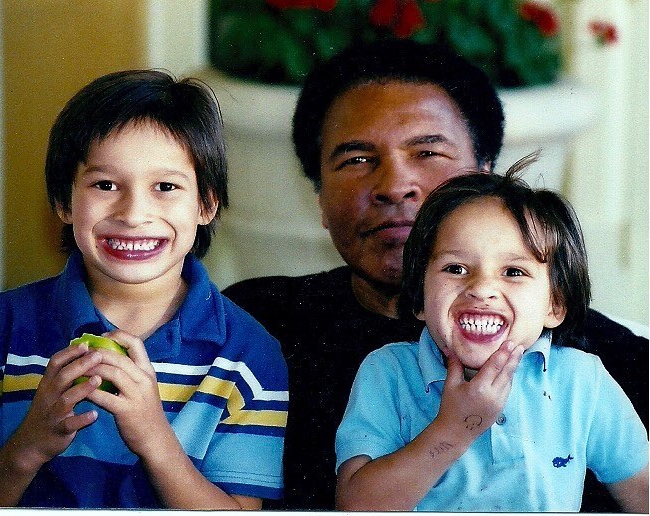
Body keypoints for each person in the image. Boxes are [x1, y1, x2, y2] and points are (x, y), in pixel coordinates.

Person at [222, 39, 648, 511]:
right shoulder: (252, 327)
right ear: (320, 197)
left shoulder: (593, 362)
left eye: (427, 153)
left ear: (485, 176)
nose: (394, 186)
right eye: (357, 160)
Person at [0, 70, 288, 509]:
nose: (134, 214)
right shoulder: (6, 327)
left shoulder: (247, 356)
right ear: (63, 202)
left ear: (206, 204)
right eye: (106, 185)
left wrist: (155, 438)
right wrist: (29, 445)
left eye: (166, 187)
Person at [334, 158, 648, 512]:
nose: (481, 288)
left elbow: (642, 491)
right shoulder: (387, 372)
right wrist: (455, 429)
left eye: (513, 271)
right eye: (455, 268)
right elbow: (357, 507)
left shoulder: (582, 382)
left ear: (555, 305)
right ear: (420, 297)